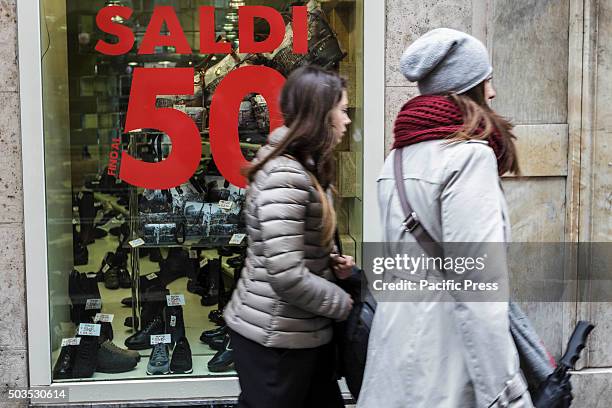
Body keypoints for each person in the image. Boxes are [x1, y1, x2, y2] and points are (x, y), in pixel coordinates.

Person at [357, 28, 533, 407]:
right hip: (448, 366)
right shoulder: (469, 158)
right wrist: (507, 396)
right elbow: (478, 291)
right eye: (486, 80)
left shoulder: (398, 159)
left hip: (393, 354)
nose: (493, 92)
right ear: (468, 87)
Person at [224, 65, 355, 408]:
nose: (347, 121)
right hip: (276, 338)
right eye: (342, 111)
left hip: (294, 331)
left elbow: (288, 246)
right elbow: (286, 275)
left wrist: (329, 263)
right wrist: (342, 304)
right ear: (321, 115)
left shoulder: (301, 165)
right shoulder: (287, 174)